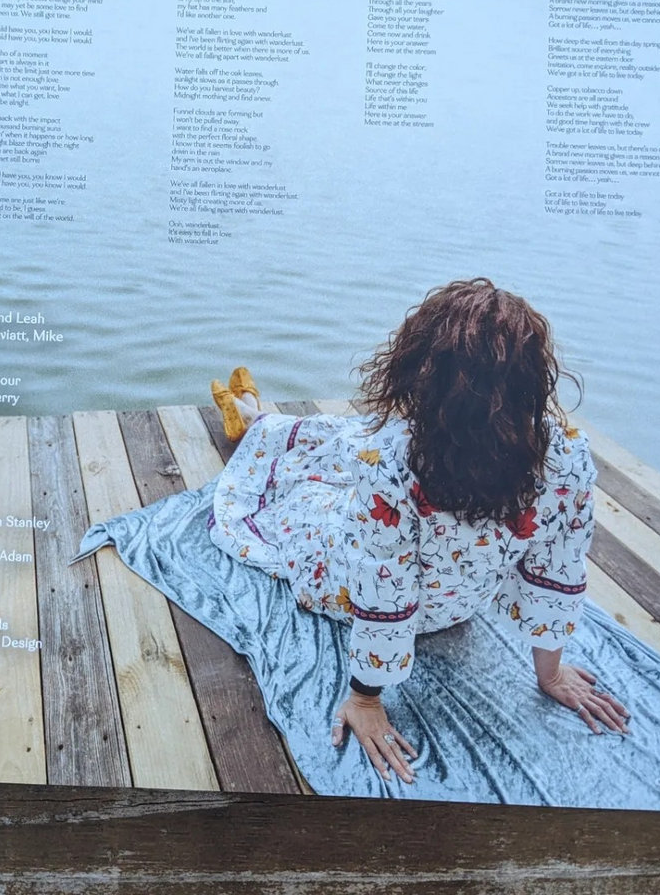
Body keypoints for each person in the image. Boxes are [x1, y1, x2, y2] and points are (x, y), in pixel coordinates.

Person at [207, 278, 631, 786]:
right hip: (460, 602)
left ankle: (255, 422)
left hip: (361, 594)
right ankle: (257, 418)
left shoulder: (393, 460)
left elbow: (382, 589)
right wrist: (551, 673)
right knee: (352, 441)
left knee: (309, 493)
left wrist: (365, 699)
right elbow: (558, 570)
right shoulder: (569, 458)